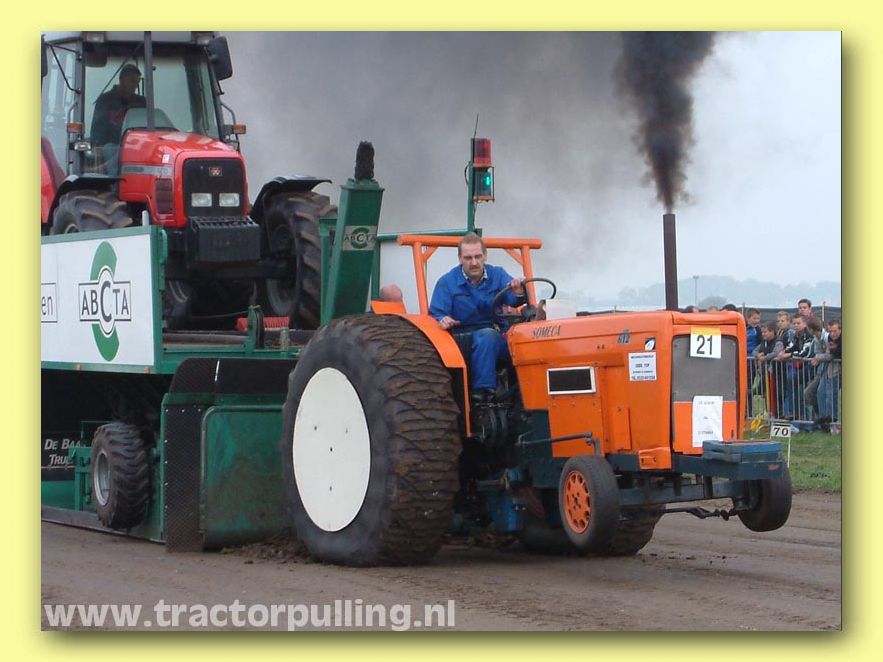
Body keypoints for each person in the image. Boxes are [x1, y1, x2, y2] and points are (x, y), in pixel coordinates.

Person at [429, 233, 525, 401]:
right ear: (460, 259)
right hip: (461, 337)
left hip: (497, 333)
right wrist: (442, 319)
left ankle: (526, 392)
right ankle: (483, 395)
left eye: (478, 256)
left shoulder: (498, 275)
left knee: (524, 339)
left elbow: (514, 300)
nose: (474, 262)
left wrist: (519, 291)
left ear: (485, 256)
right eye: (468, 258)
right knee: (487, 337)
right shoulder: (447, 282)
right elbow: (436, 314)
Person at [90, 64, 146, 175]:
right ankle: (115, 182)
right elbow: (97, 131)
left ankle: (107, 167)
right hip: (112, 145)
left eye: (137, 82)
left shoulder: (141, 102)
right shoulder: (105, 100)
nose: (135, 85)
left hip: (135, 146)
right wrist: (97, 150)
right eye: (131, 80)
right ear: (121, 80)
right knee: (112, 149)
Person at [815, 319, 842, 425]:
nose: (832, 334)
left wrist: (819, 357)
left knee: (832, 395)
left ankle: (833, 420)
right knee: (821, 392)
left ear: (840, 329)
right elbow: (829, 353)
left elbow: (835, 354)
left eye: (835, 331)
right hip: (831, 369)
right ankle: (824, 419)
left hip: (837, 369)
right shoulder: (829, 338)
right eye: (830, 331)